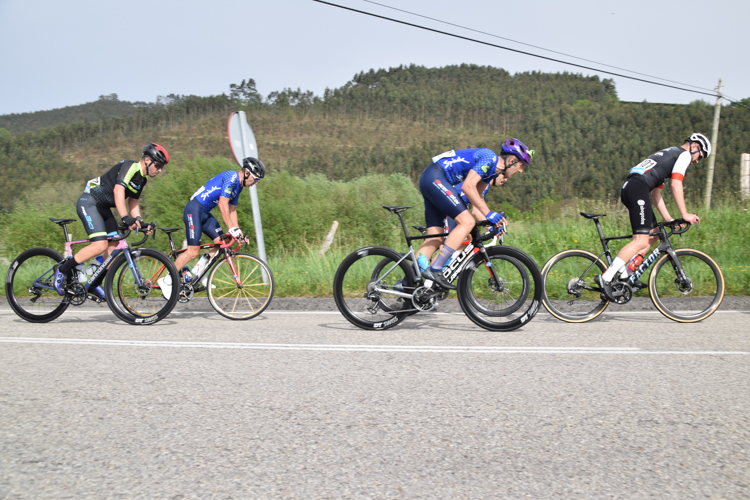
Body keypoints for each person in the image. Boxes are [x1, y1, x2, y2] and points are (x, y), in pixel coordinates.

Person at [595, 133, 710, 301]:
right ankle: (606, 277)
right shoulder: (684, 155)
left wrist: (670, 219)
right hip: (637, 188)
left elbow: (656, 195)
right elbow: (676, 184)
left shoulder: (669, 154)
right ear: (695, 147)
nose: (698, 161)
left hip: (633, 187)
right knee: (640, 240)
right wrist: (685, 215)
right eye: (701, 155)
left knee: (654, 234)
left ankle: (626, 276)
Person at [53, 143, 168, 298]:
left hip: (103, 208)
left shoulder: (142, 180)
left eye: (162, 167)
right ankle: (62, 270)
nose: (160, 170)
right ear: (147, 160)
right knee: (100, 245)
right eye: (159, 165)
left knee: (113, 248)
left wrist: (139, 221)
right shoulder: (130, 167)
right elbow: (118, 190)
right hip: (89, 202)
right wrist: (125, 217)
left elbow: (133, 202)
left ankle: (94, 284)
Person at [416, 139, 533, 289]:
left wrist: (492, 222)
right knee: (467, 223)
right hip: (436, 177)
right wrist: (490, 213)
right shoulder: (489, 158)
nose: (521, 170)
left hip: (431, 179)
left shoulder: (490, 173)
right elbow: (467, 186)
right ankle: (436, 269)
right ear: (512, 160)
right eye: (521, 165)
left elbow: (477, 202)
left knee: (436, 239)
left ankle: (407, 284)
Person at [158, 157, 265, 300]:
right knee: (192, 252)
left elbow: (232, 210)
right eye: (256, 179)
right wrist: (230, 228)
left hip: (204, 214)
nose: (256, 183)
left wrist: (238, 231)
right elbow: (222, 205)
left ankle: (197, 274)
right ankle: (166, 281)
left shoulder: (238, 187)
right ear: (246, 173)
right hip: (194, 210)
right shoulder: (232, 177)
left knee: (219, 243)